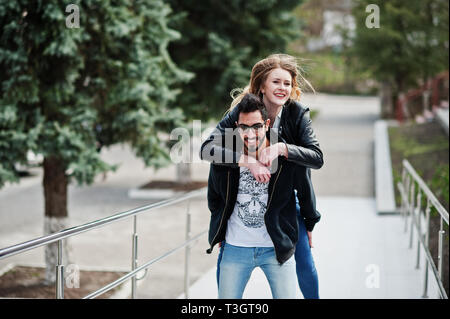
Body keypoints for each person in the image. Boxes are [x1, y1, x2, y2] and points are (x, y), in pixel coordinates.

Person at [201, 53, 322, 299]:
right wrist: (247, 162)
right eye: (276, 82)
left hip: (285, 197)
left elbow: (316, 157)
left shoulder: (297, 113)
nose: (282, 88)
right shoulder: (242, 111)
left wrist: (281, 148)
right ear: (262, 86)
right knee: (225, 260)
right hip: (247, 201)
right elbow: (207, 149)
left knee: (305, 263)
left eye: (287, 83)